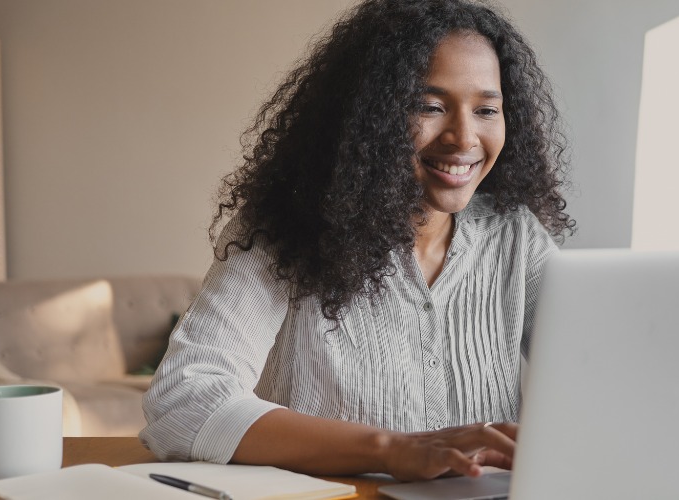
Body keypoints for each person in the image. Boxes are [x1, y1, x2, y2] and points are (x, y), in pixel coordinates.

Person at [140, 0, 574, 482]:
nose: (464, 136)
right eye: (429, 106)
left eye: (487, 109)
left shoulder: (516, 236)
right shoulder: (284, 229)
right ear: (371, 114)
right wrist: (390, 450)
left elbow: (606, 375)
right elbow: (184, 400)